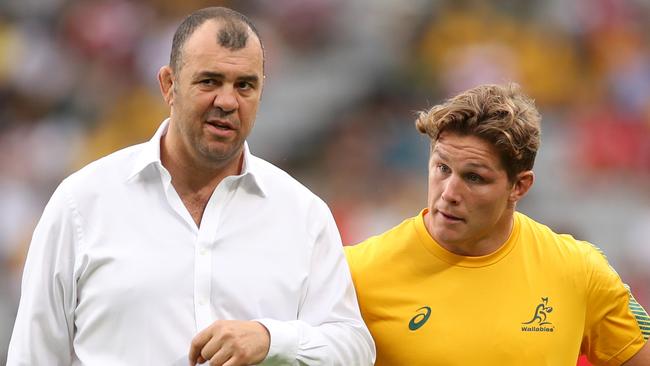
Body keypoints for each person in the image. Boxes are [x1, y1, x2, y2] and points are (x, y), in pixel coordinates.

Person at [8, 7, 375, 366]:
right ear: (169, 85)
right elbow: (33, 354)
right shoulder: (81, 203)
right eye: (209, 81)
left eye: (245, 85)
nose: (228, 101)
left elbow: (355, 349)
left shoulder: (303, 214)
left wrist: (270, 340)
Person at [345, 83, 650, 365]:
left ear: (519, 186)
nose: (449, 193)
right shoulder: (354, 272)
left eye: (474, 177)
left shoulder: (578, 270)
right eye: (442, 168)